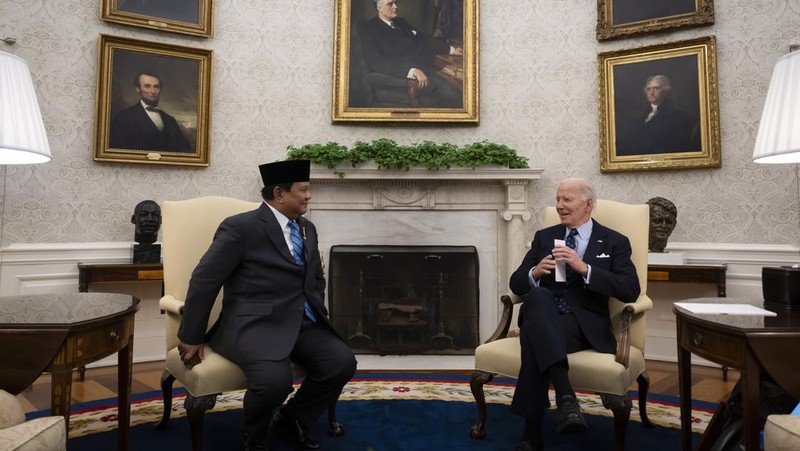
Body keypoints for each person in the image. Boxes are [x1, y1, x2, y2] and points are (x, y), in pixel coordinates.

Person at [176, 160, 357, 450]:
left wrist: (317, 315)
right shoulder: (240, 227)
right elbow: (204, 280)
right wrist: (191, 335)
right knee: (274, 381)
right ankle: (256, 439)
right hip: (252, 326)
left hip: (302, 323)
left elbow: (316, 279)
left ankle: (292, 419)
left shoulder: (308, 228)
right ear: (279, 193)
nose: (309, 196)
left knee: (341, 362)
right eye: (304, 190)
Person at [508, 178, 641, 451]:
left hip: (583, 324)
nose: (559, 206)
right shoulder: (544, 237)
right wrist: (534, 273)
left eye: (566, 200)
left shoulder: (615, 241)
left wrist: (585, 268)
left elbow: (630, 290)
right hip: (544, 314)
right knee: (539, 296)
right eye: (557, 200)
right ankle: (566, 399)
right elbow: (516, 282)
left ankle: (532, 433)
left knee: (534, 338)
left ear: (587, 204)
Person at [358, 0, 463, 108]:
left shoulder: (400, 22)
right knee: (454, 96)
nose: (395, 6)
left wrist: (451, 49)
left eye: (395, 2)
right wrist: (411, 71)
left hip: (427, 70)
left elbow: (423, 39)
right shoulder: (369, 30)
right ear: (379, 8)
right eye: (390, 4)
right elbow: (377, 63)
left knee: (458, 87)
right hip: (405, 80)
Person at [109, 71, 193, 153]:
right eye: (147, 86)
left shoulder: (170, 120)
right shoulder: (123, 117)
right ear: (138, 89)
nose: (153, 91)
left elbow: (184, 152)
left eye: (156, 86)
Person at [616, 74, 698, 156]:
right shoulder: (641, 116)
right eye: (648, 89)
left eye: (656, 88)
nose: (651, 92)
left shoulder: (678, 116)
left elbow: (679, 147)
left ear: (665, 91)